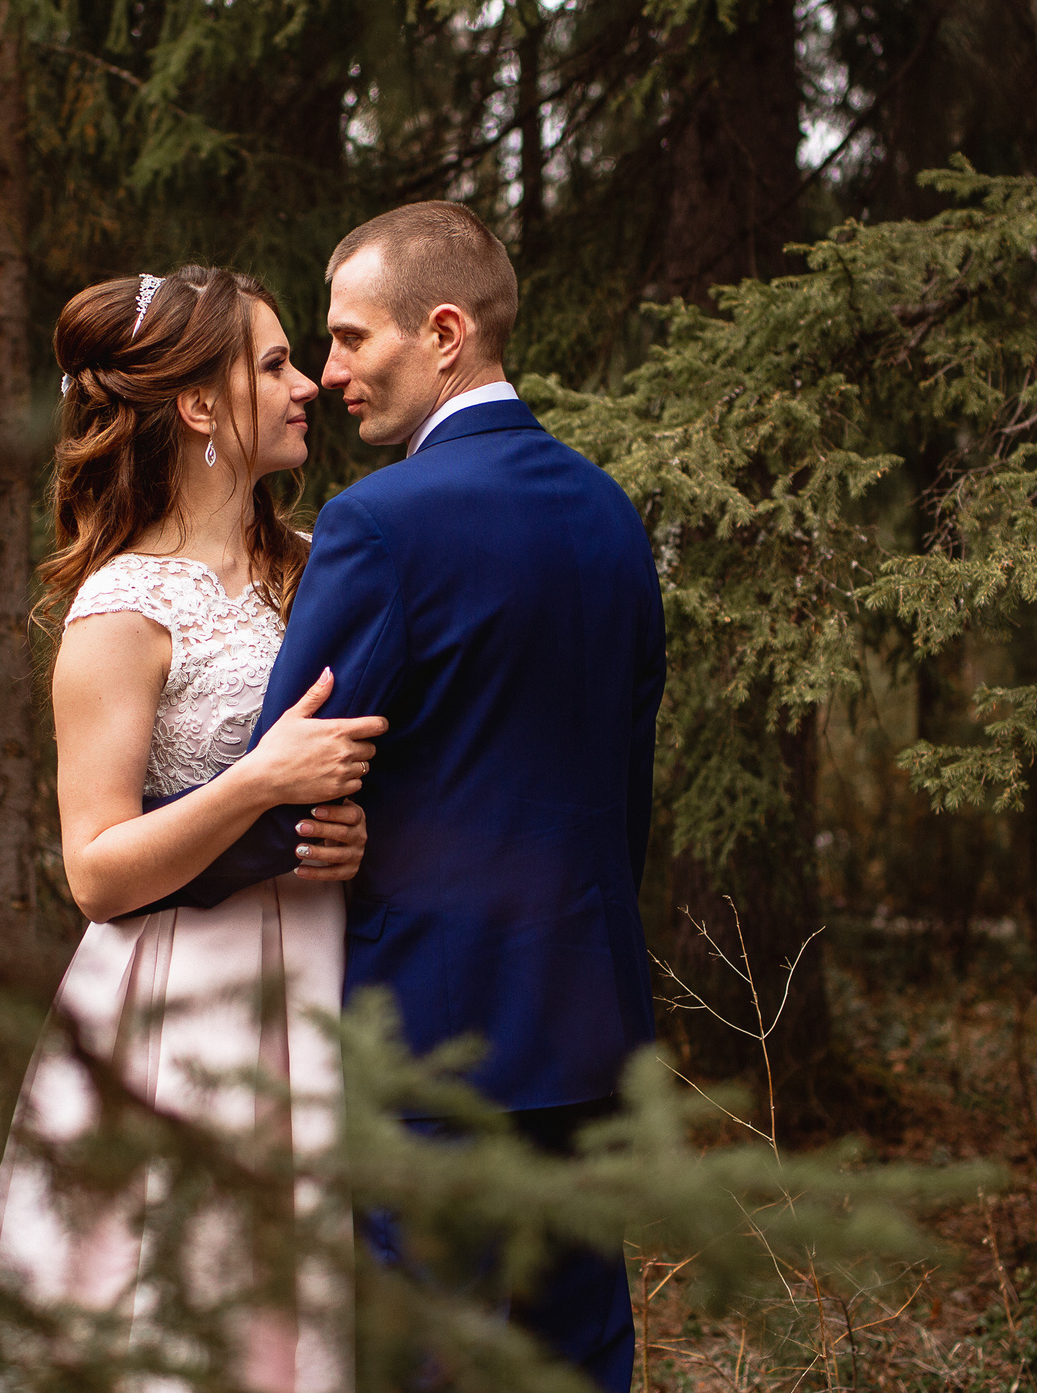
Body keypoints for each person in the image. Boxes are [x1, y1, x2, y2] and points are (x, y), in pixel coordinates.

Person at [152, 203, 668, 1392]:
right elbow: (620, 788)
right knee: (578, 1364)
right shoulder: (609, 513)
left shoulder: (381, 525)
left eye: (349, 340)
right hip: (588, 1027)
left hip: (433, 1043)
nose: (328, 375)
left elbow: (285, 797)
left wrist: (148, 873)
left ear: (443, 333)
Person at [0, 265, 387, 1393]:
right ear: (198, 405)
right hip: (182, 1005)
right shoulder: (123, 608)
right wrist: (259, 785)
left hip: (320, 973)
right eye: (272, 364)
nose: (306, 385)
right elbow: (96, 872)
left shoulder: (315, 572)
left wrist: (346, 832)